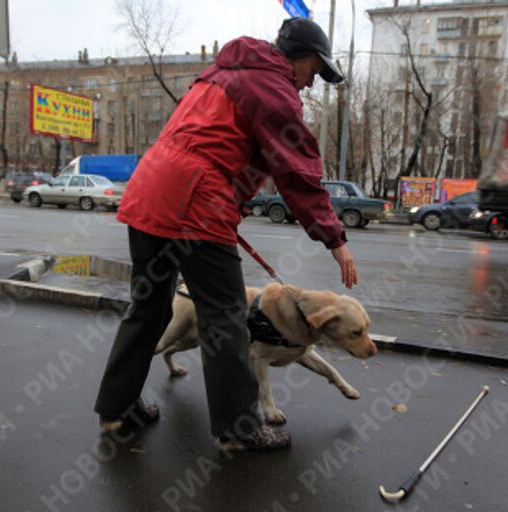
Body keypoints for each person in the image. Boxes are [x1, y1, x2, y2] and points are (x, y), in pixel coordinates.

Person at [94, 17, 357, 452]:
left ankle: (116, 408)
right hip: (194, 202)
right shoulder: (275, 88)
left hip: (151, 188)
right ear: (300, 58)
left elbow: (214, 144)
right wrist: (335, 238)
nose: (311, 84)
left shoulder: (223, 72)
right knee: (227, 316)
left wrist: (229, 202)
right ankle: (239, 429)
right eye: (314, 71)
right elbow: (297, 170)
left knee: (148, 308)